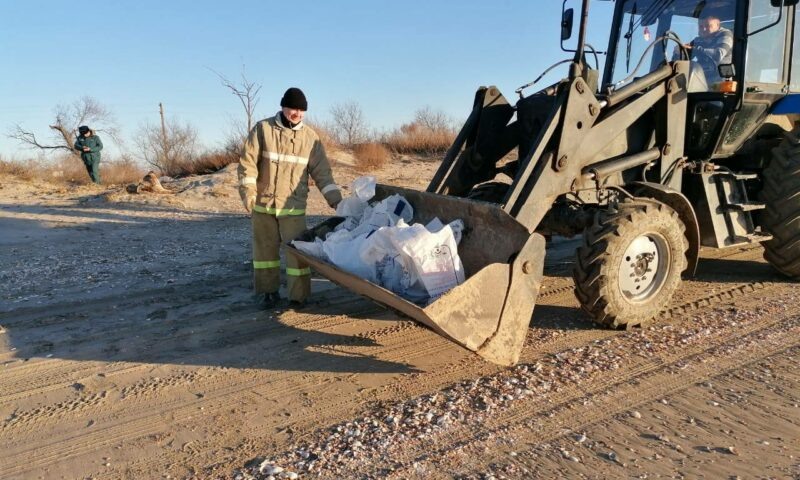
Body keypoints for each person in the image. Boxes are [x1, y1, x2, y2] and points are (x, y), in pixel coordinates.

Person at [238, 87, 342, 309]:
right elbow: (247, 164)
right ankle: (267, 294)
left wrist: (336, 200)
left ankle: (299, 296)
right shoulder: (262, 130)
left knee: (297, 254)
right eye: (293, 108)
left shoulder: (310, 139)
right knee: (264, 253)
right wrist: (248, 193)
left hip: (292, 207)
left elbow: (323, 173)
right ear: (283, 106)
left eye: (301, 110)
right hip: (263, 205)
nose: (297, 113)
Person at [680, 14, 734, 85]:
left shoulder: (725, 34)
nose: (704, 29)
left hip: (723, 84)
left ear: (718, 25)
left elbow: (719, 54)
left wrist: (694, 49)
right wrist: (680, 51)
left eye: (708, 26)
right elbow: (684, 59)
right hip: (702, 82)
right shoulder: (698, 40)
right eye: (701, 26)